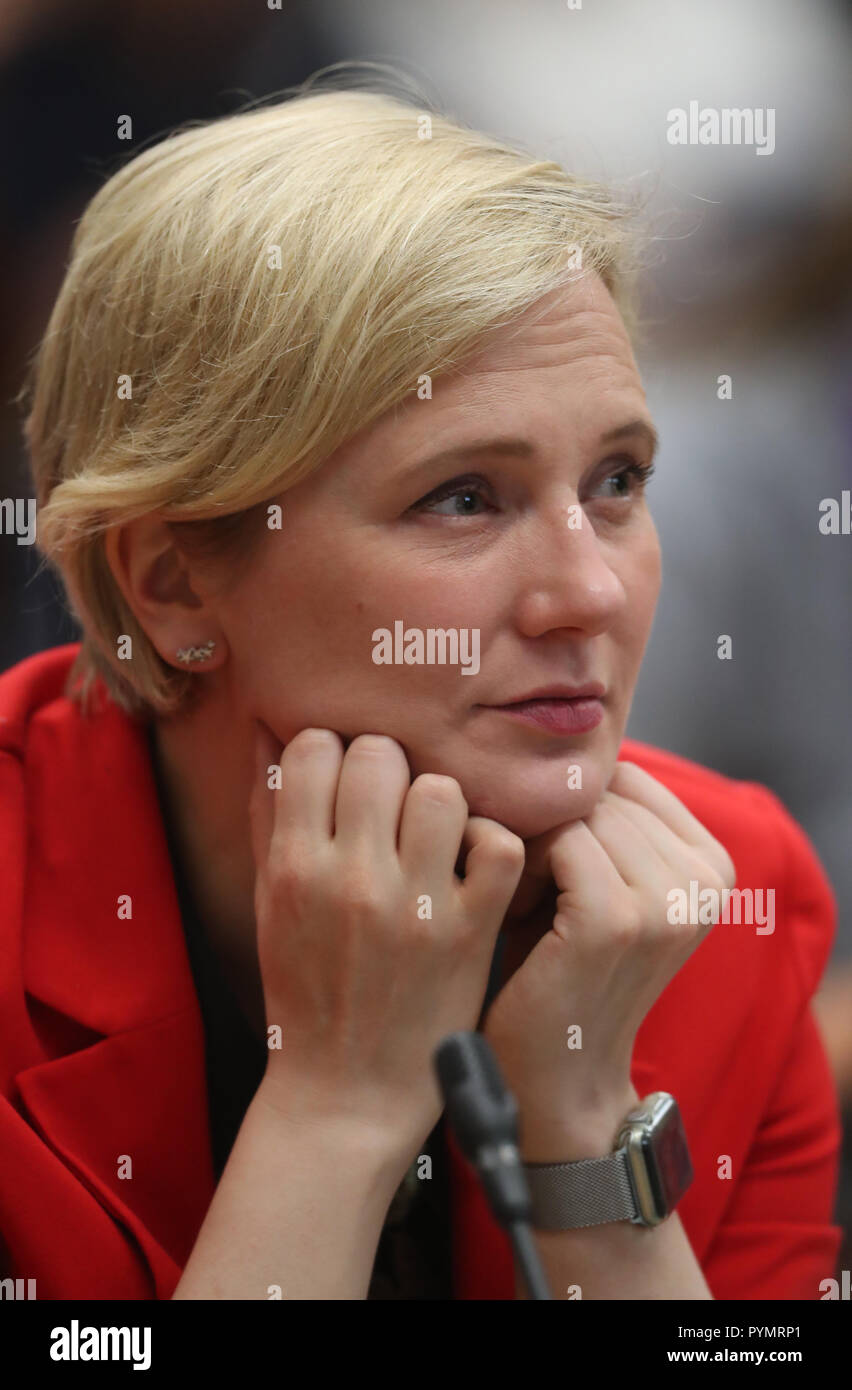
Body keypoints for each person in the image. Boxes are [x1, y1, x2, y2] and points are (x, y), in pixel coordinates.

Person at [0, 79, 842, 1300]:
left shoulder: (727, 904)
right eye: (464, 497)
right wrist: (336, 1109)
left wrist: (587, 1120)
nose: (588, 593)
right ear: (175, 580)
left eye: (617, 479)